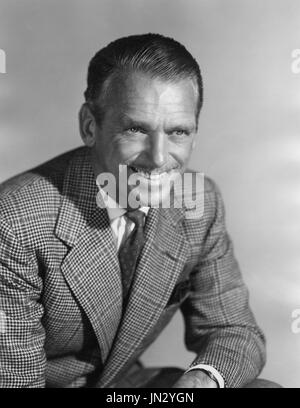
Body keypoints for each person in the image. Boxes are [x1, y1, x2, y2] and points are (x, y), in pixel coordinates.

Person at [0, 33, 276, 388]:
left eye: (177, 132)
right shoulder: (14, 220)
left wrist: (202, 381)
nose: (159, 158)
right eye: (136, 129)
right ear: (89, 126)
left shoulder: (199, 204)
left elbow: (234, 330)